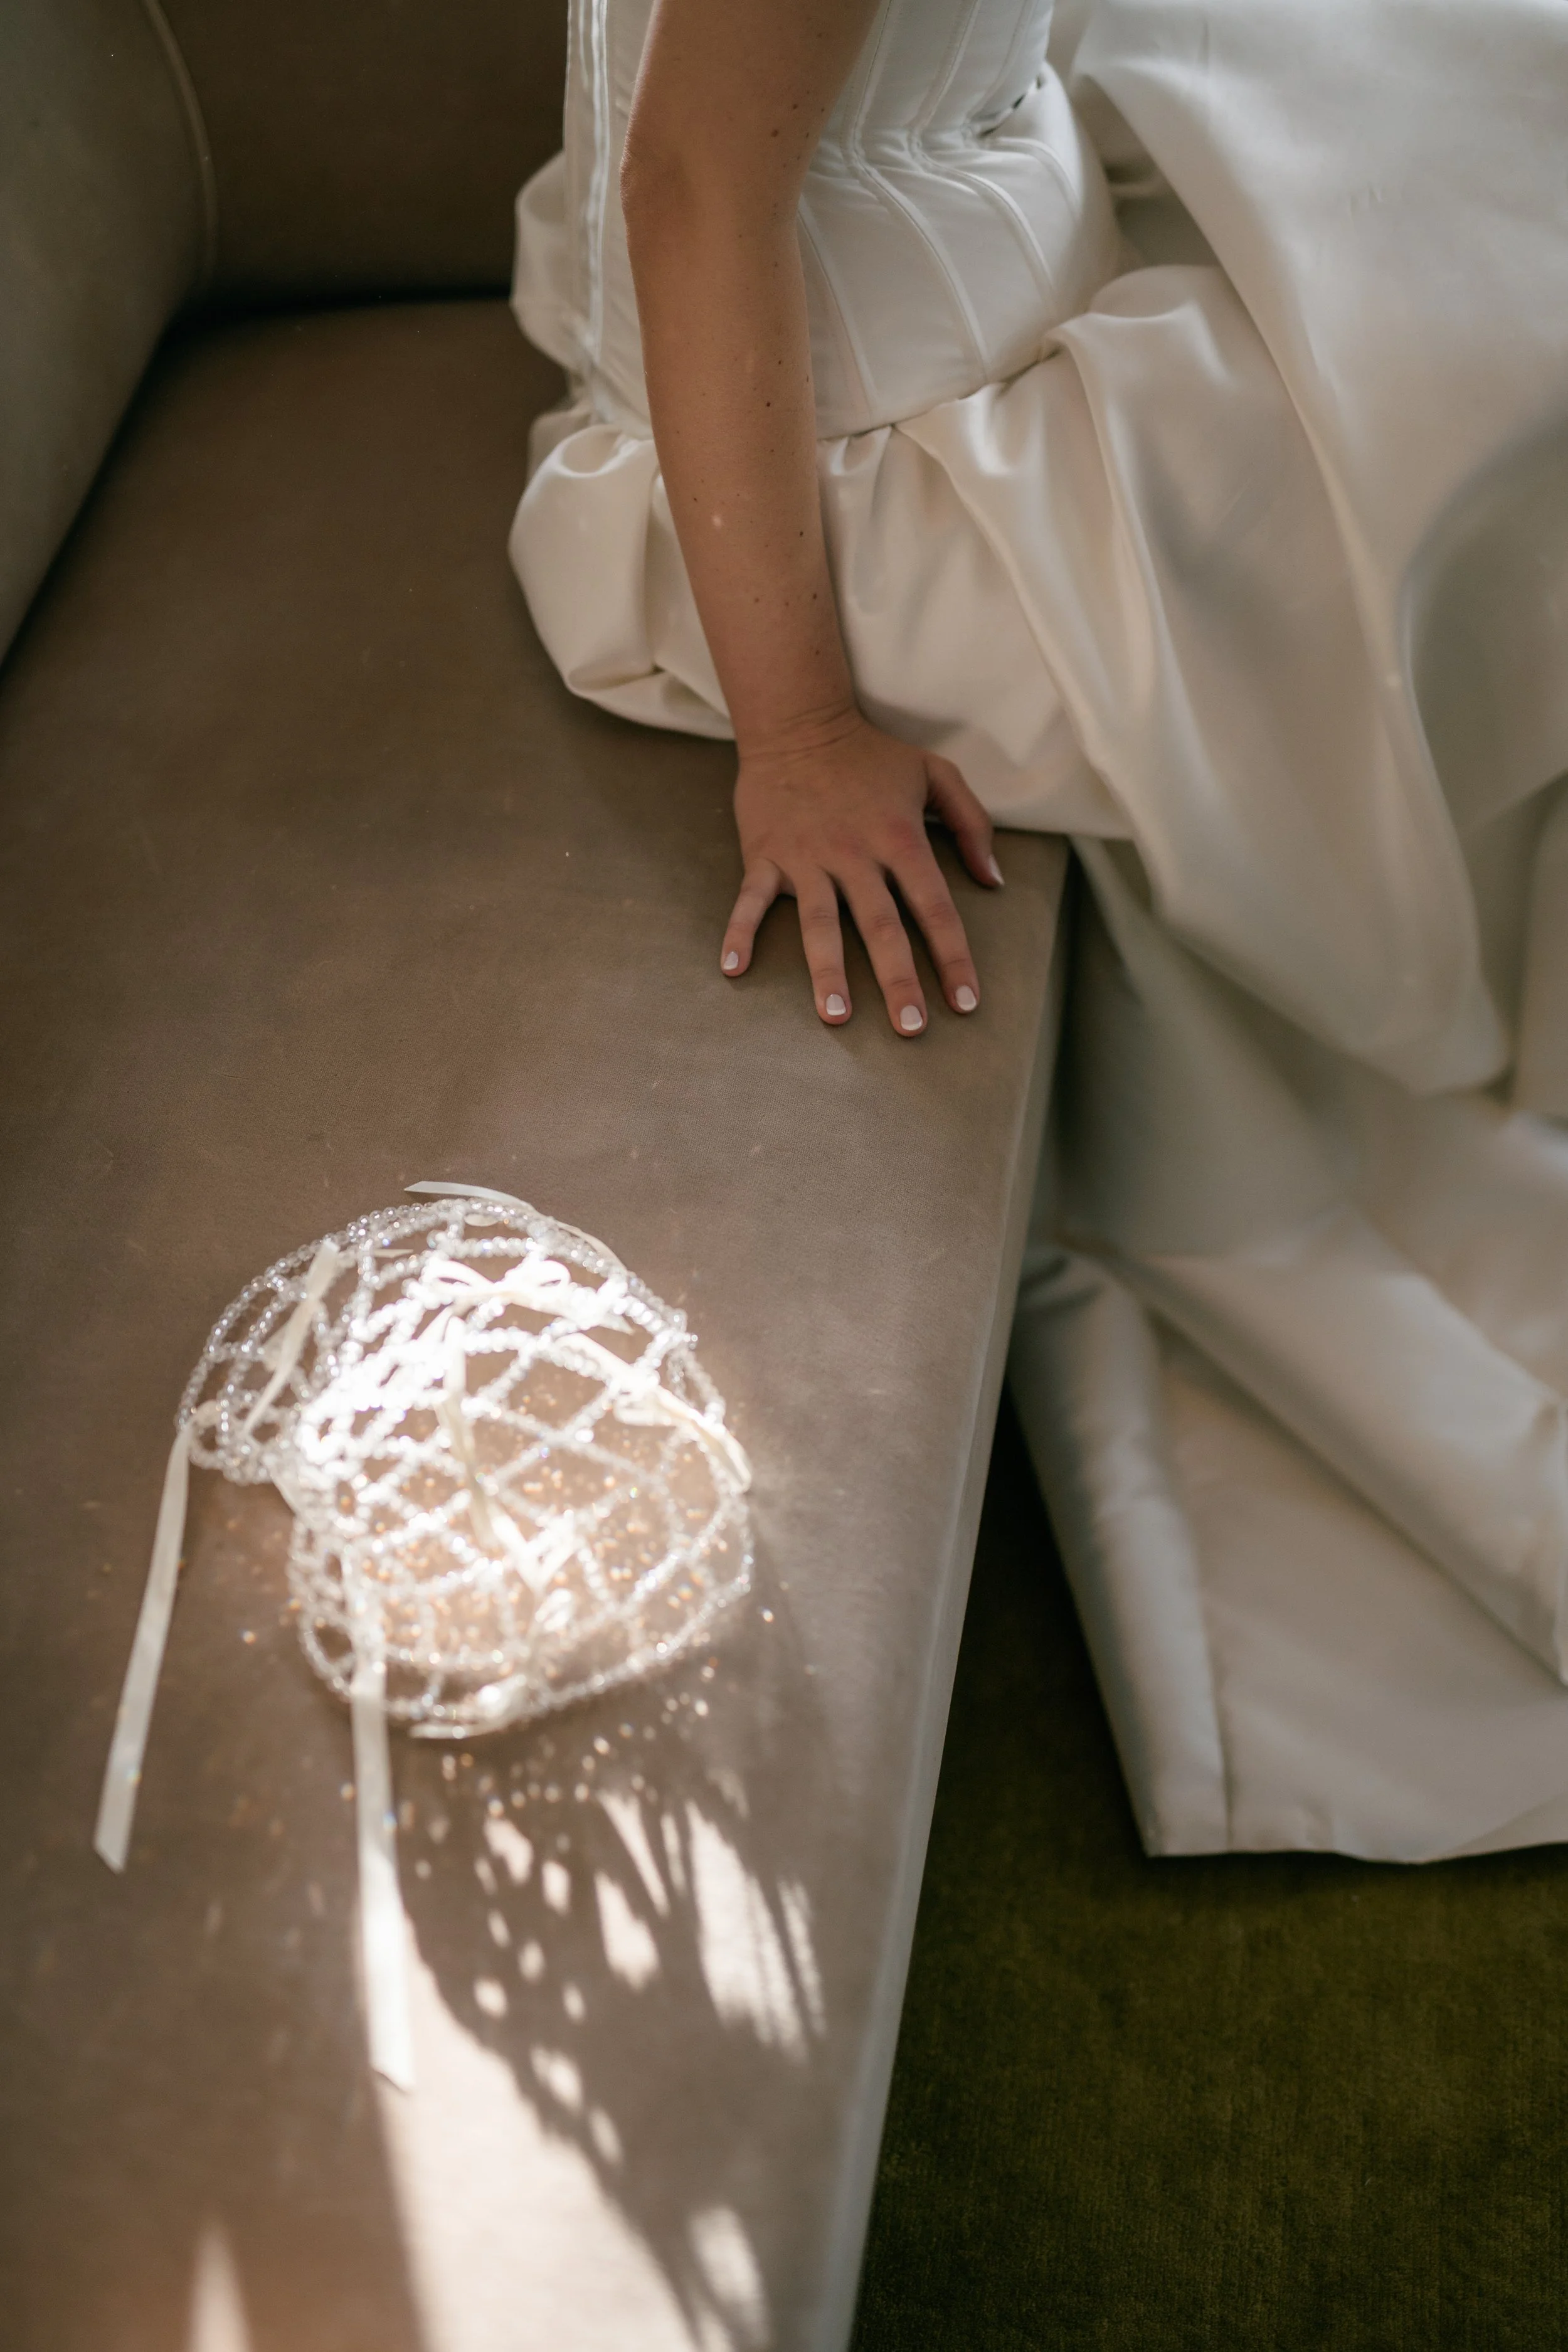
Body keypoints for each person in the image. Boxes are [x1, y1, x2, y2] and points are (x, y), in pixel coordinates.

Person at [511, 0, 1568, 1862]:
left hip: (992, 233)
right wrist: (801, 732)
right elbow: (693, 186)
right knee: (1492, 375)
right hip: (877, 478)